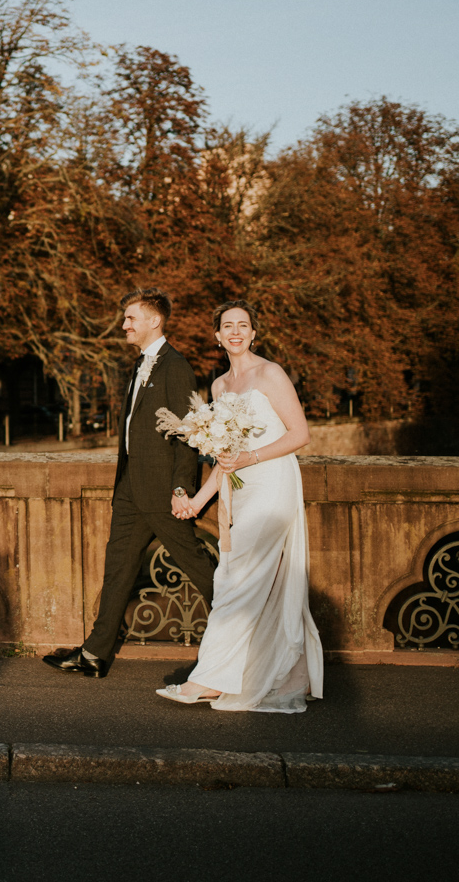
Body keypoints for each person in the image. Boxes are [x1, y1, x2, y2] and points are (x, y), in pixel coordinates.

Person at [157, 300, 324, 712]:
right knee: (235, 575)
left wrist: (249, 458)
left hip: (271, 485)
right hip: (238, 490)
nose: (235, 331)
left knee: (235, 582)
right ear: (217, 336)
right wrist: (197, 500)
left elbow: (300, 434)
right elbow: (222, 457)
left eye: (243, 325)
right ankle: (289, 675)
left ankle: (208, 680)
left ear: (253, 333)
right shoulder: (217, 387)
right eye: (227, 326)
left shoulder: (270, 373)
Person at [43, 287, 216, 678]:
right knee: (117, 570)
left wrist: (179, 489)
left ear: (154, 321)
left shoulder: (176, 366)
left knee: (198, 567)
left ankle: (246, 642)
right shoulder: (140, 365)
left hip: (160, 491)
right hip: (129, 490)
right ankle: (94, 654)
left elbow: (188, 433)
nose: (124, 325)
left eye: (130, 318)